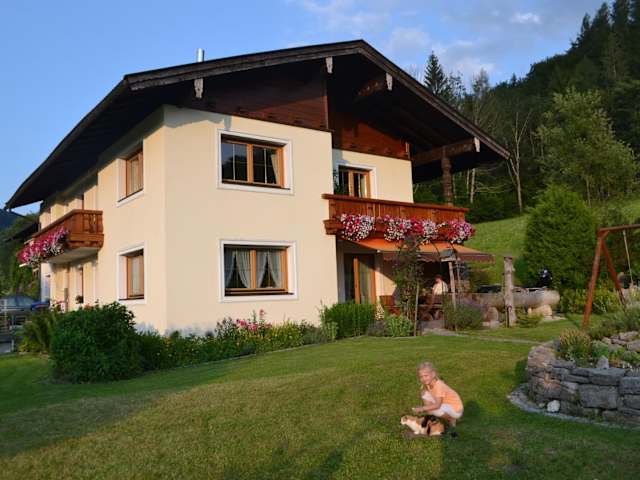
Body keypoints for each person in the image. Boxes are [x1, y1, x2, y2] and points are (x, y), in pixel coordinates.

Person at [412, 362, 463, 427]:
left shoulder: (439, 386)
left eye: (426, 376)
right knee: (424, 393)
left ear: (433, 374)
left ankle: (452, 419)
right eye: (421, 377)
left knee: (433, 409)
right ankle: (431, 419)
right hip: (447, 405)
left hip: (456, 409)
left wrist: (422, 408)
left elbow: (437, 405)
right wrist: (427, 407)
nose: (423, 379)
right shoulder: (429, 383)